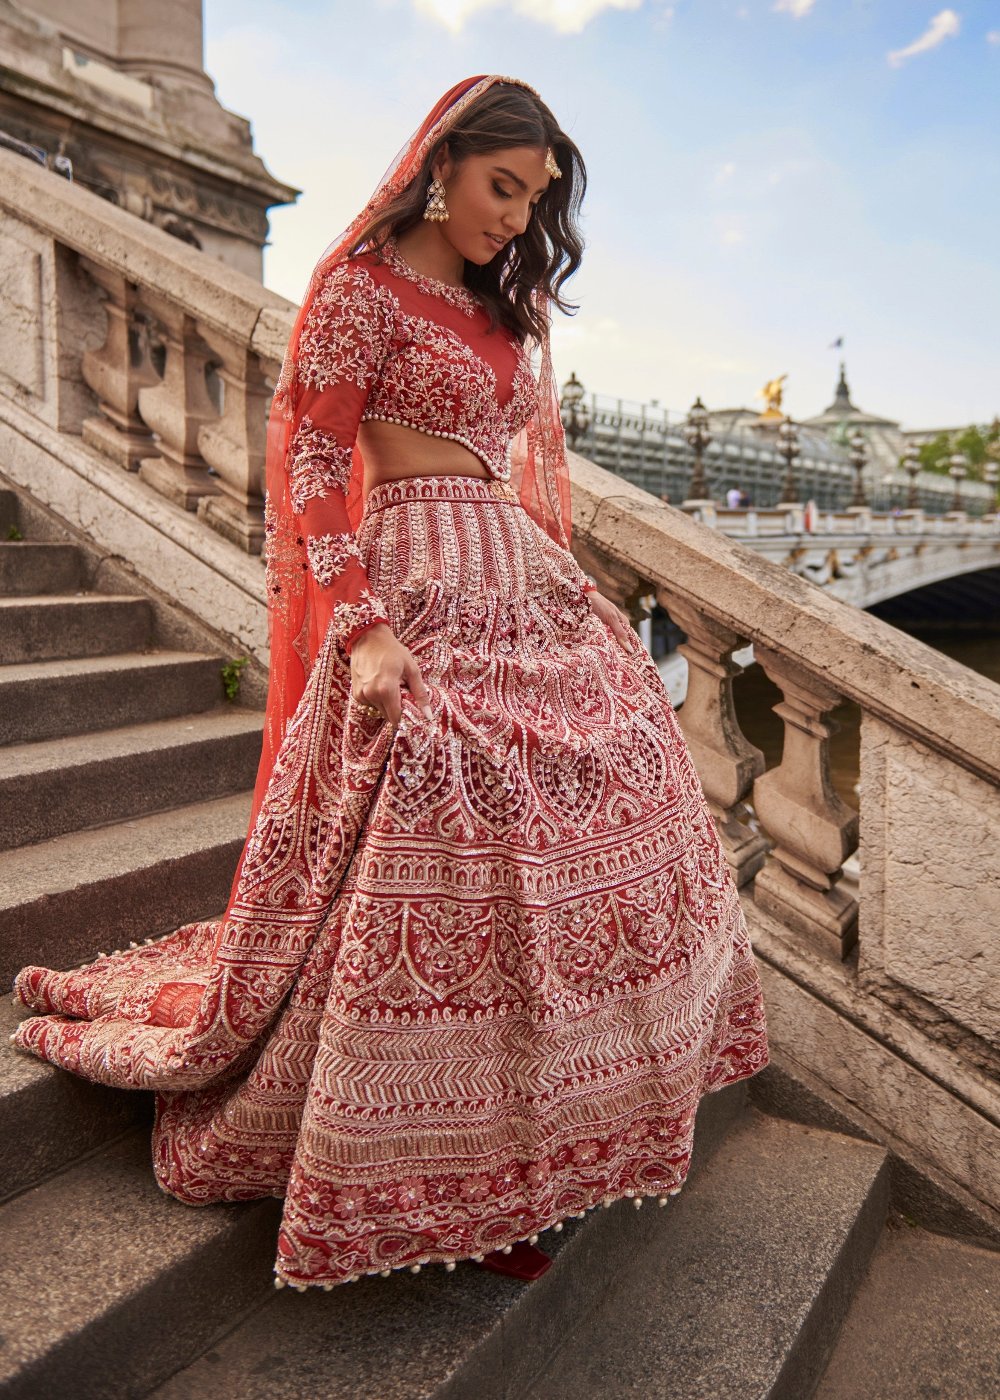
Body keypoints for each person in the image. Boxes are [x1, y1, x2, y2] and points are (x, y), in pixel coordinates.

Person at [10, 74, 768, 1292]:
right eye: (501, 187)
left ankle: (558, 1136)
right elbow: (313, 455)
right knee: (458, 855)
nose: (515, 220)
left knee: (631, 813)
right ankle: (435, 1162)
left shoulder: (506, 313)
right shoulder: (361, 292)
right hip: (409, 580)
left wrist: (573, 611)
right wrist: (359, 626)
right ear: (441, 166)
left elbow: (522, 479)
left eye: (534, 201)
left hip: (522, 577)